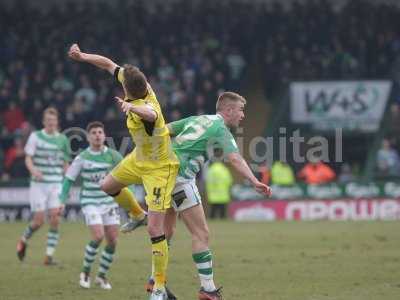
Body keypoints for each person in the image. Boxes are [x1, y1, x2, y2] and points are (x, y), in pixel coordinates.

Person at [123, 92, 272, 300]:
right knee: (201, 234)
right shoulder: (220, 128)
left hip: (161, 174)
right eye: (240, 110)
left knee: (167, 231)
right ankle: (208, 289)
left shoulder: (197, 119)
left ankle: (155, 281)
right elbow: (235, 158)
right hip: (181, 179)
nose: (243, 115)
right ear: (228, 111)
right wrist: (254, 181)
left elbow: (163, 130)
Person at [68, 44, 179, 300]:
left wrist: (132, 108)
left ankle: (158, 288)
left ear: (128, 90)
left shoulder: (147, 107)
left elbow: (152, 114)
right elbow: (108, 63)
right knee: (107, 186)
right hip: (139, 158)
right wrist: (82, 56)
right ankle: (137, 214)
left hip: (160, 168)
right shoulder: (136, 83)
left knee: (155, 230)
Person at [59, 122, 122, 290]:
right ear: (88, 137)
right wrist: (61, 200)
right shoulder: (82, 158)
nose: (97, 135)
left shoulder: (114, 156)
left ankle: (101, 276)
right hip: (90, 202)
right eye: (93, 132)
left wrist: (129, 201)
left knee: (113, 241)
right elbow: (68, 180)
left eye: (100, 132)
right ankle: (85, 272)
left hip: (109, 202)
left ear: (104, 134)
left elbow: (126, 177)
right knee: (98, 236)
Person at [16, 107, 71, 265]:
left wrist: (67, 183)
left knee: (55, 218)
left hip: (55, 184)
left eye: (53, 120)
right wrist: (33, 170)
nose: (51, 123)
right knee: (39, 220)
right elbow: (28, 158)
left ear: (57, 122)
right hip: (38, 185)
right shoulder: (35, 137)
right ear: (44, 122)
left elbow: (66, 164)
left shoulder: (63, 139)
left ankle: (48, 257)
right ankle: (23, 239)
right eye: (48, 120)